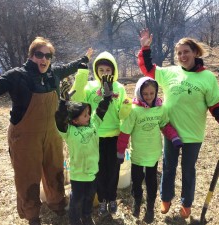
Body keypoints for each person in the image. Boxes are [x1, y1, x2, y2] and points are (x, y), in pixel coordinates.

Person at [0, 37, 92, 225]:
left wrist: (85, 58)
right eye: (39, 54)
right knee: (28, 175)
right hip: (25, 137)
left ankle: (58, 203)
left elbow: (72, 66)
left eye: (48, 56)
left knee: (55, 169)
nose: (44, 59)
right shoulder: (16, 75)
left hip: (52, 133)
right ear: (31, 55)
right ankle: (32, 214)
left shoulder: (54, 74)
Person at [138, 28, 219, 219]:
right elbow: (148, 70)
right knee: (169, 167)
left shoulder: (207, 77)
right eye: (179, 53)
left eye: (186, 51)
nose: (182, 55)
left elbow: (215, 105)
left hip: (193, 134)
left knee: (188, 170)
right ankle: (166, 198)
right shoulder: (170, 72)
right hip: (170, 131)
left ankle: (186, 204)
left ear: (195, 52)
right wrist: (145, 49)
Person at [70, 51, 131, 217]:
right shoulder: (90, 87)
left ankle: (112, 198)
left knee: (112, 170)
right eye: (101, 70)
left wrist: (126, 107)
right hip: (94, 136)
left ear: (113, 71)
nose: (105, 73)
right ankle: (102, 199)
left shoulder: (119, 87)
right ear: (96, 71)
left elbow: (123, 115)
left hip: (113, 136)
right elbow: (78, 98)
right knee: (98, 171)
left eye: (108, 70)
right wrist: (82, 73)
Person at [117, 77, 182, 223]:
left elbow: (165, 125)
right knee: (137, 180)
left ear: (156, 92)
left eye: (152, 93)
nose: (149, 97)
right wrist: (120, 152)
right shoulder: (134, 111)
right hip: (138, 154)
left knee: (152, 182)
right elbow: (125, 132)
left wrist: (174, 137)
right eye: (145, 94)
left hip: (153, 153)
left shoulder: (160, 108)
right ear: (139, 93)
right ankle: (137, 202)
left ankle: (151, 206)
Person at [55, 72, 113, 225]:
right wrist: (62, 102)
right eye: (85, 115)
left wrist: (106, 98)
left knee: (89, 197)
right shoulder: (68, 131)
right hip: (78, 175)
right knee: (77, 199)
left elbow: (101, 109)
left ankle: (87, 216)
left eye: (88, 113)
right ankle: (75, 220)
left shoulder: (94, 123)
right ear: (74, 119)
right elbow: (59, 120)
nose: (89, 115)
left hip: (93, 172)